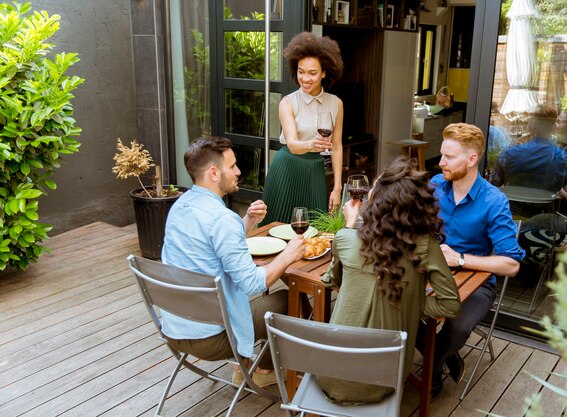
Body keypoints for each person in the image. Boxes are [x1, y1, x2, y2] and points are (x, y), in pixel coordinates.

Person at [160, 135, 305, 387]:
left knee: (257, 300)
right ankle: (261, 371)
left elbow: (212, 245)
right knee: (289, 299)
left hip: (175, 327)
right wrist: (289, 255)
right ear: (214, 173)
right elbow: (251, 284)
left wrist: (247, 221)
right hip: (210, 335)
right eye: (232, 166)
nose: (238, 171)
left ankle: (245, 365)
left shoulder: (181, 206)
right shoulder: (221, 219)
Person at [318, 157, 461, 404]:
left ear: (376, 202)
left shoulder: (345, 238)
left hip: (328, 374)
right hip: (386, 381)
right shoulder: (425, 245)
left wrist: (350, 224)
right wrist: (411, 306)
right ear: (418, 207)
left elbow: (332, 280)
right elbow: (450, 303)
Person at [417, 123, 525, 399]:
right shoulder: (435, 186)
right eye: (442, 155)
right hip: (429, 273)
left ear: (471, 159)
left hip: (476, 283)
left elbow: (511, 265)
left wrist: (461, 259)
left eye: (448, 157)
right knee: (397, 303)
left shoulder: (494, 201)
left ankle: (434, 367)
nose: (440, 162)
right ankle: (444, 359)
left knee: (457, 326)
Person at [262, 31, 344, 225]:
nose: (305, 78)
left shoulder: (336, 104)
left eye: (312, 73)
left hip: (314, 170)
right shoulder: (288, 103)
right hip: (286, 169)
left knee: (314, 228)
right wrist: (312, 144)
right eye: (301, 71)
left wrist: (338, 186)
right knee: (276, 228)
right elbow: (292, 144)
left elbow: (337, 146)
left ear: (324, 72)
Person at [493, 104, 567, 194]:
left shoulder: (509, 154)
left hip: (511, 207)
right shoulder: (565, 159)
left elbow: (493, 185)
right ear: (554, 128)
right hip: (546, 207)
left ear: (531, 126)